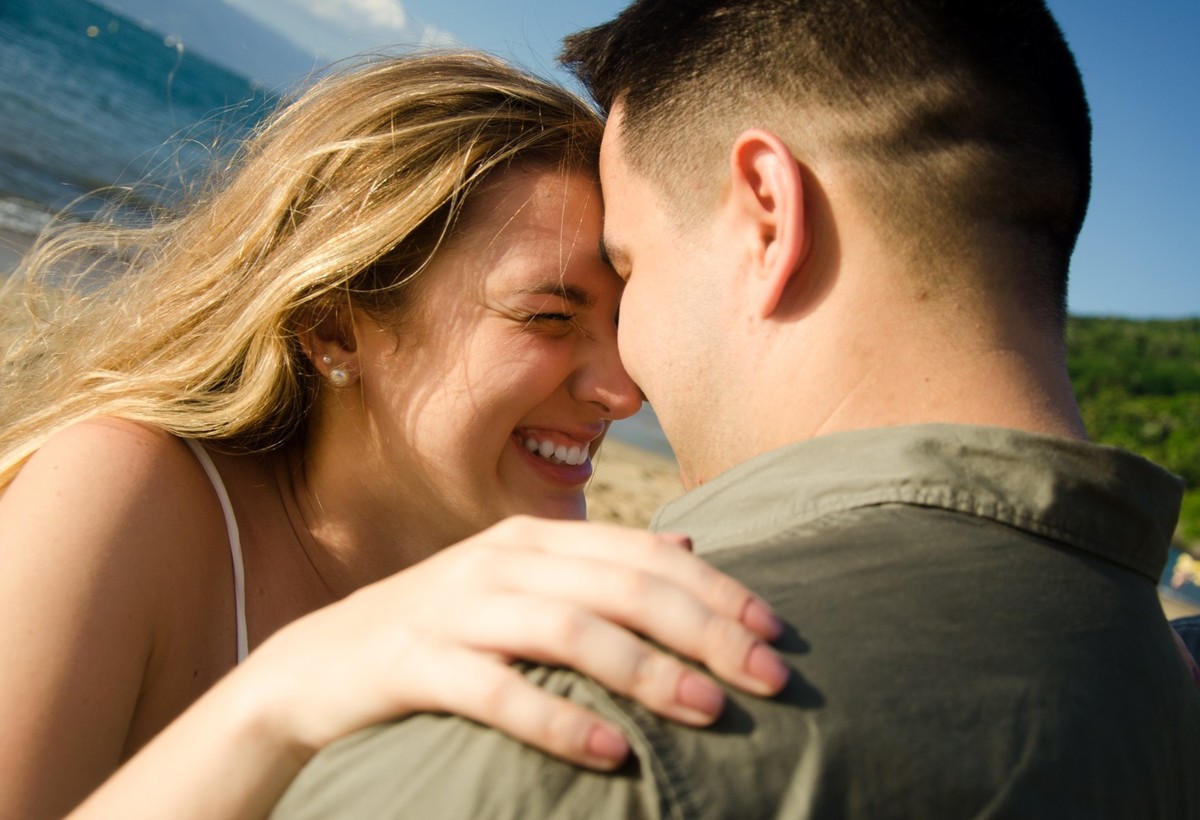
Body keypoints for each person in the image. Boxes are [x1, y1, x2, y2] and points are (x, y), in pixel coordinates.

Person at [270, 2, 1200, 818]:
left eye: (630, 267)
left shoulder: (556, 736)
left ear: (767, 213)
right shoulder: (1161, 690)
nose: (625, 381)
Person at [0, 52, 791, 820]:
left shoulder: (524, 615)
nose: (621, 393)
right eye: (549, 318)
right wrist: (279, 701)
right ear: (335, 325)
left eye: (619, 324)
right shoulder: (119, 494)